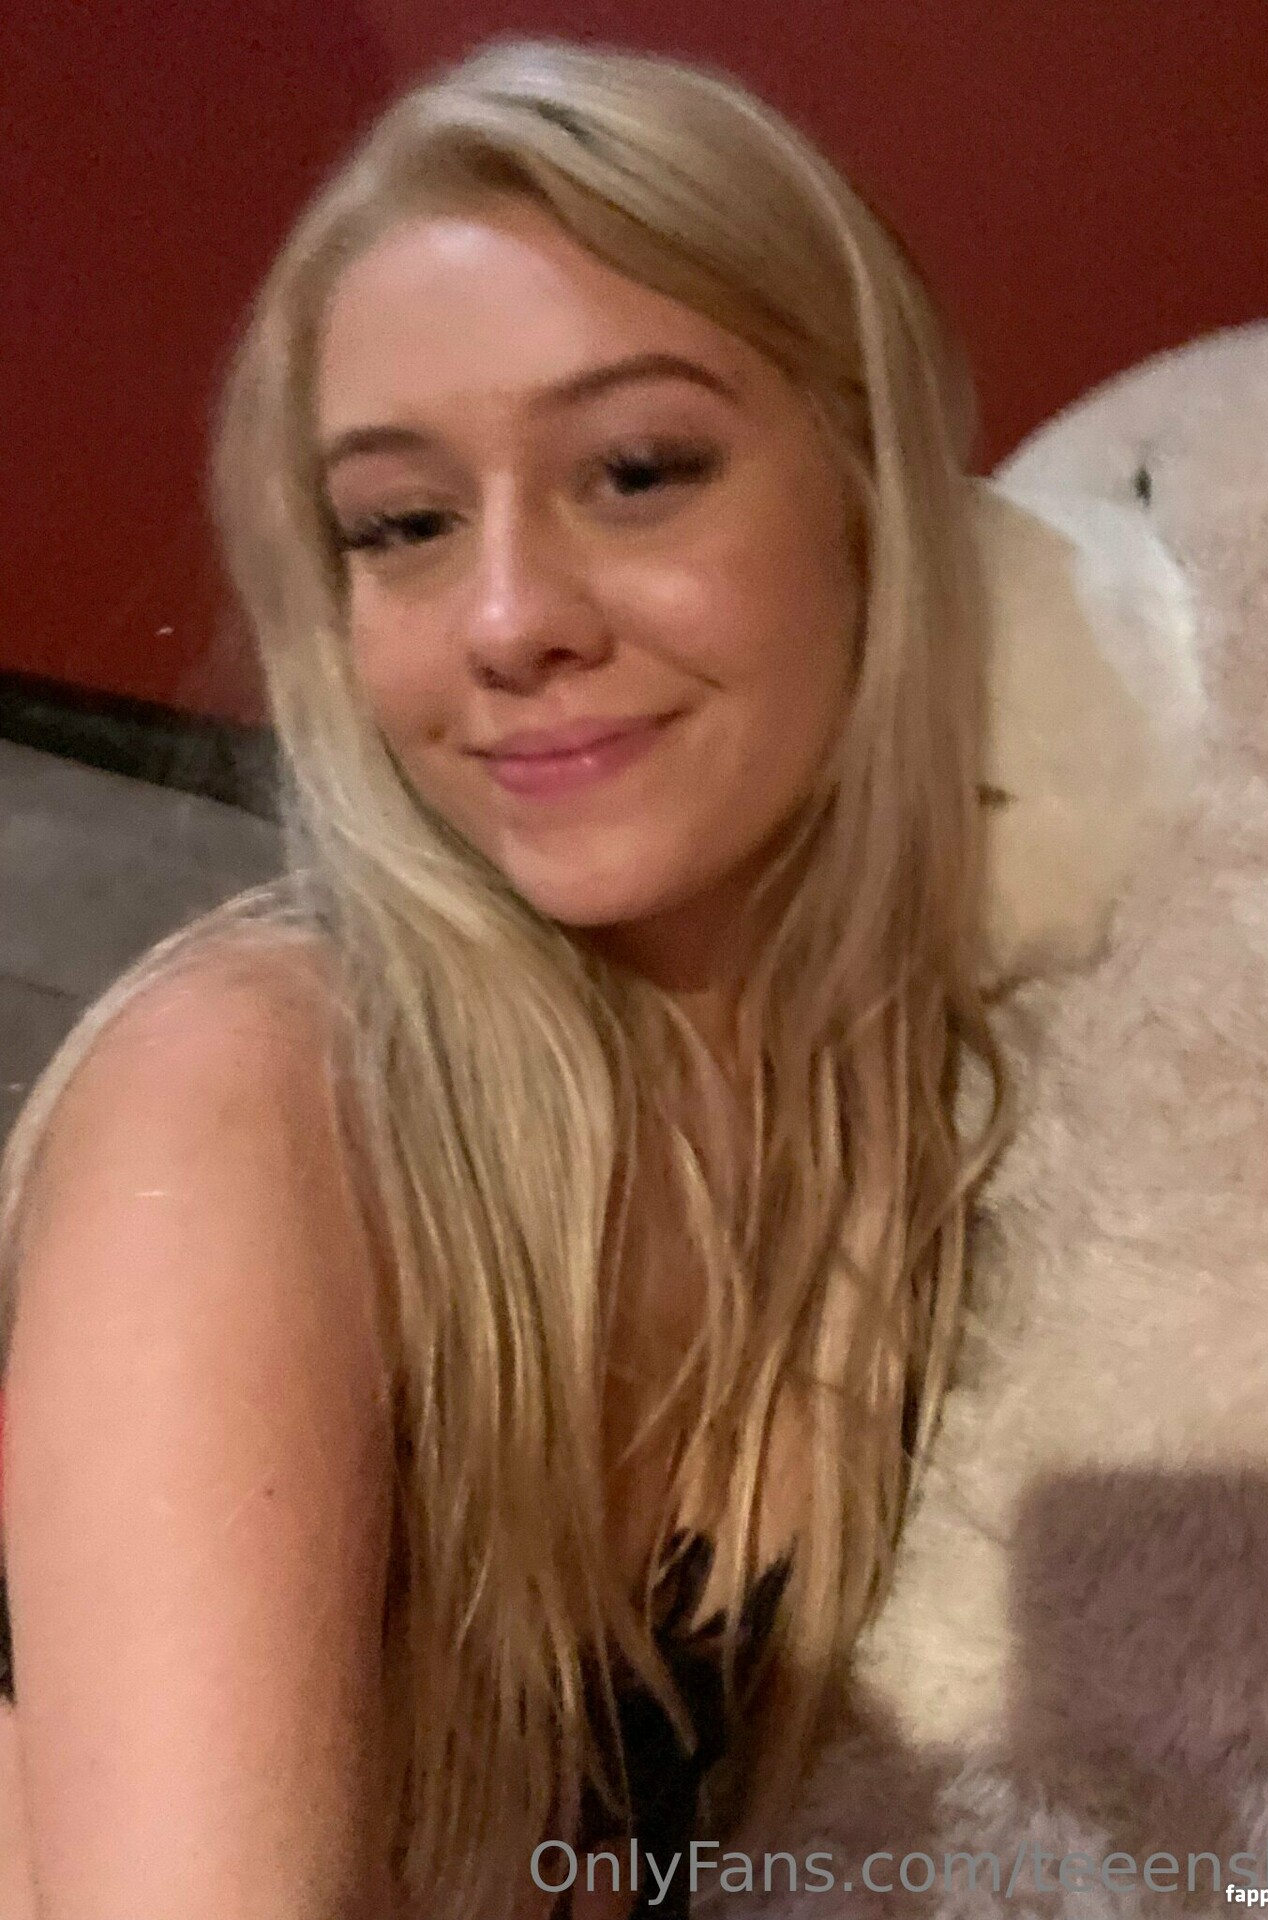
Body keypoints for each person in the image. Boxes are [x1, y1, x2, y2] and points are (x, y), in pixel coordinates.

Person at [0, 33, 1011, 1920]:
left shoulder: (947, 1104)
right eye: (404, 525)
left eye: (634, 473)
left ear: (871, 495)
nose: (507, 619)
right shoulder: (259, 1112)